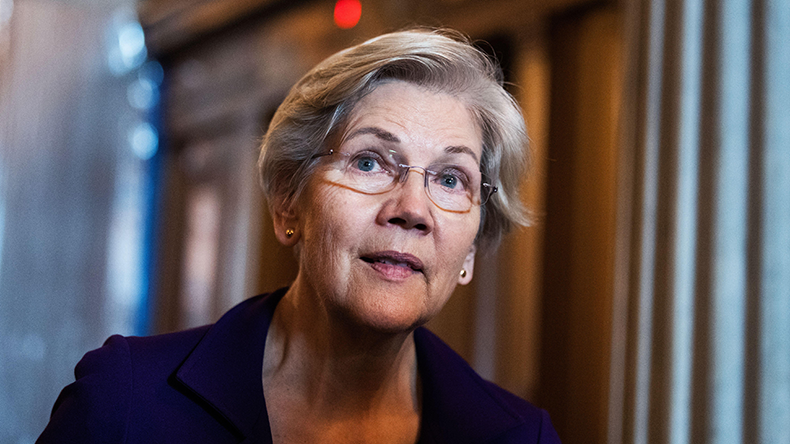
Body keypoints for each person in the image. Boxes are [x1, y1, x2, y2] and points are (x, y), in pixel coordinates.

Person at [38, 28, 561, 443]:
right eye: (370, 161)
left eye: (451, 179)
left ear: (470, 248)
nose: (412, 210)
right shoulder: (125, 402)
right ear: (289, 202)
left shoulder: (518, 436)